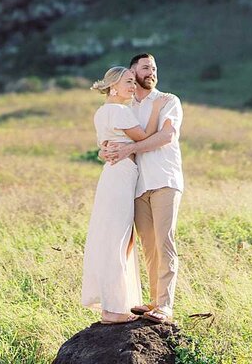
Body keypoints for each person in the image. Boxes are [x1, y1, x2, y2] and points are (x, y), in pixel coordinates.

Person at [81, 65, 171, 324]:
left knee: (116, 239)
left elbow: (103, 147)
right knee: (119, 240)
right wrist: (156, 109)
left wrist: (107, 151)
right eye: (128, 82)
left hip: (112, 175)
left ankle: (112, 307)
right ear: (113, 86)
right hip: (120, 177)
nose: (133, 87)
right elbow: (145, 137)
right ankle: (115, 310)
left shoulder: (101, 113)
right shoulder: (119, 112)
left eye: (134, 82)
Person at [101, 53, 183, 325]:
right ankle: (153, 301)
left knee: (164, 241)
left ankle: (165, 305)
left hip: (163, 180)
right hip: (136, 186)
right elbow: (114, 138)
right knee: (148, 246)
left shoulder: (168, 100)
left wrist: (131, 148)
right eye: (145, 67)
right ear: (132, 72)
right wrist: (106, 150)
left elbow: (166, 136)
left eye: (154, 67)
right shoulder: (126, 108)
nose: (151, 71)